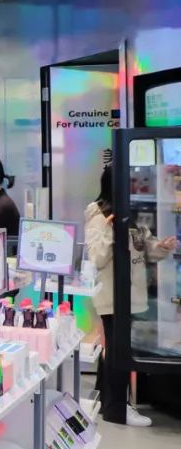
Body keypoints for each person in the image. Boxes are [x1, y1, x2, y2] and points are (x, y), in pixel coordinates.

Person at [85, 164, 178, 427]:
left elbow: (144, 247)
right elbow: (97, 257)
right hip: (112, 296)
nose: (135, 185)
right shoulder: (98, 213)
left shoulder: (130, 211)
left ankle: (107, 401)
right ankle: (117, 409)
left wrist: (162, 247)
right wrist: (110, 230)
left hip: (131, 295)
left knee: (115, 351)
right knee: (119, 353)